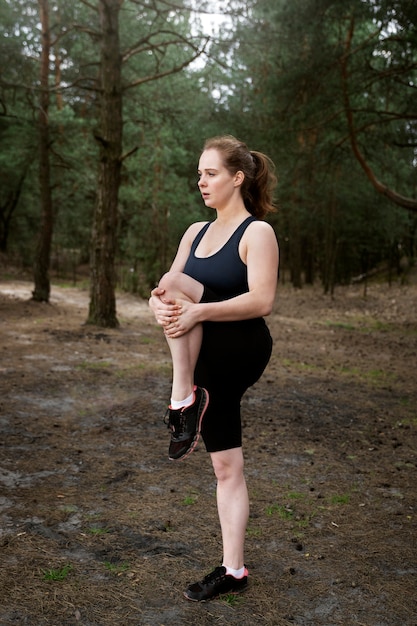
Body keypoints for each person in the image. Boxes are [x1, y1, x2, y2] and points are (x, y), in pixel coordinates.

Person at [149, 135, 279, 602]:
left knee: (178, 287)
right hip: (203, 350)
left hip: (241, 345)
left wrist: (196, 312)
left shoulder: (257, 233)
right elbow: (170, 287)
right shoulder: (194, 232)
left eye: (211, 173)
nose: (200, 181)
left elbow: (262, 300)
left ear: (237, 178)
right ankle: (234, 570)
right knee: (226, 465)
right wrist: (158, 306)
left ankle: (182, 398)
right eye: (199, 173)